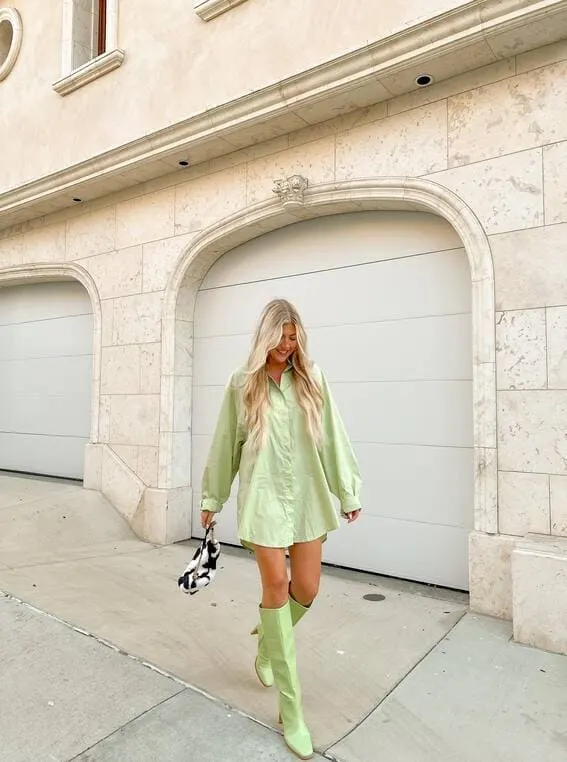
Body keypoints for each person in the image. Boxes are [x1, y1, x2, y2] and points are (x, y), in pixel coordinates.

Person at [200, 298, 362, 760]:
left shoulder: (313, 379)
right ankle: (292, 711)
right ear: (265, 336)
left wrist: (346, 491)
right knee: (277, 585)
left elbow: (333, 435)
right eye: (281, 337)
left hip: (307, 494)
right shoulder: (241, 383)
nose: (288, 346)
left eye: (294, 339)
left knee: (306, 589)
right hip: (264, 498)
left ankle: (270, 642)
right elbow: (225, 442)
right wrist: (213, 498)